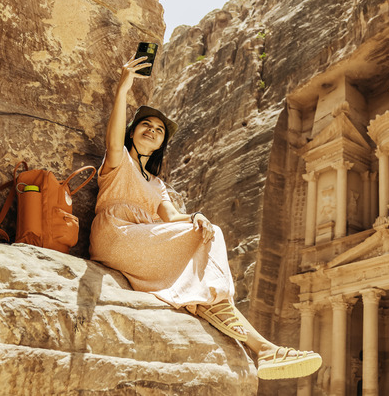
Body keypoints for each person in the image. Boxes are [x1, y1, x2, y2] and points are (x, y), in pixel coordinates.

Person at [89, 54, 322, 380]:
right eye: (146, 125)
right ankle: (265, 347)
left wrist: (196, 217)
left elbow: (171, 216)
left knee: (209, 233)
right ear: (132, 133)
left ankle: (265, 349)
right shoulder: (118, 160)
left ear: (159, 146)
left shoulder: (157, 184)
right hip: (116, 235)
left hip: (145, 241)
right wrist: (123, 87)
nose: (153, 131)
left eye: (159, 131)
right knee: (204, 246)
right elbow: (114, 137)